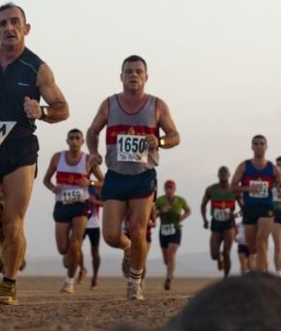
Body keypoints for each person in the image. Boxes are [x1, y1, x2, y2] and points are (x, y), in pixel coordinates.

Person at [0, 3, 69, 305]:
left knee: (14, 223)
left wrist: (43, 112)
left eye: (15, 22)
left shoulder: (37, 68)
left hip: (20, 150)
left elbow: (63, 108)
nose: (9, 28)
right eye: (2, 24)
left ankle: (9, 282)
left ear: (26, 28)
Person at [87, 55, 180, 301]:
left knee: (139, 229)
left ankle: (135, 281)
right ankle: (127, 248)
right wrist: (94, 153)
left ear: (146, 77)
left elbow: (174, 135)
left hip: (143, 177)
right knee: (110, 236)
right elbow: (92, 131)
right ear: (121, 76)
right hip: (116, 176)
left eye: (139, 71)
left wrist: (158, 141)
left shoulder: (157, 106)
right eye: (128, 71)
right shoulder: (109, 104)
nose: (133, 75)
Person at [43, 129, 103, 293]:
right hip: (62, 205)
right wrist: (53, 188)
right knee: (63, 249)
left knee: (76, 244)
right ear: (67, 140)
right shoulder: (57, 158)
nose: (74, 141)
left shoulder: (88, 160)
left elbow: (103, 182)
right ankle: (73, 259)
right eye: (71, 138)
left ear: (82, 141)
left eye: (77, 138)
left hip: (80, 206)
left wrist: (89, 182)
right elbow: (46, 180)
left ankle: (69, 281)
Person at [230, 135, 281, 273]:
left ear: (266, 146)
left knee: (261, 241)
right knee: (253, 247)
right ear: (252, 147)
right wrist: (248, 189)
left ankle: (260, 276)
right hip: (250, 208)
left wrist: (280, 189)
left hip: (266, 207)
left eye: (261, 144)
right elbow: (233, 187)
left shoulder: (272, 168)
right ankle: (264, 265)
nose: (259, 146)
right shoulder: (244, 166)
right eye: (256, 144)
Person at [200, 166, 238, 279]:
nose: (223, 174)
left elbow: (244, 207)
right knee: (214, 254)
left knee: (227, 252)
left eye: (225, 172)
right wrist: (205, 220)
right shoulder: (211, 189)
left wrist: (236, 215)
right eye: (221, 173)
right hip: (216, 223)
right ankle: (219, 258)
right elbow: (203, 205)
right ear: (218, 175)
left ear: (229, 175)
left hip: (229, 224)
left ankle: (226, 278)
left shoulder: (235, 190)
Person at [155, 180, 191, 290]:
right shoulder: (160, 200)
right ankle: (171, 271)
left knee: (171, 254)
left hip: (176, 230)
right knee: (166, 259)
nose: (169, 190)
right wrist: (161, 211)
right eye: (167, 188)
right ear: (164, 189)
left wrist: (183, 217)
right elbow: (152, 215)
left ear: (175, 189)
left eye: (171, 188)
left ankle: (169, 278)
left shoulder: (180, 200)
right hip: (163, 231)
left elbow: (188, 211)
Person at [82, 181, 104, 288]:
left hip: (94, 224)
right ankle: (82, 268)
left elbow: (105, 203)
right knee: (75, 247)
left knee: (95, 251)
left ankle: (95, 276)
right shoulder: (77, 184)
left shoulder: (95, 187)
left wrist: (95, 201)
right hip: (80, 223)